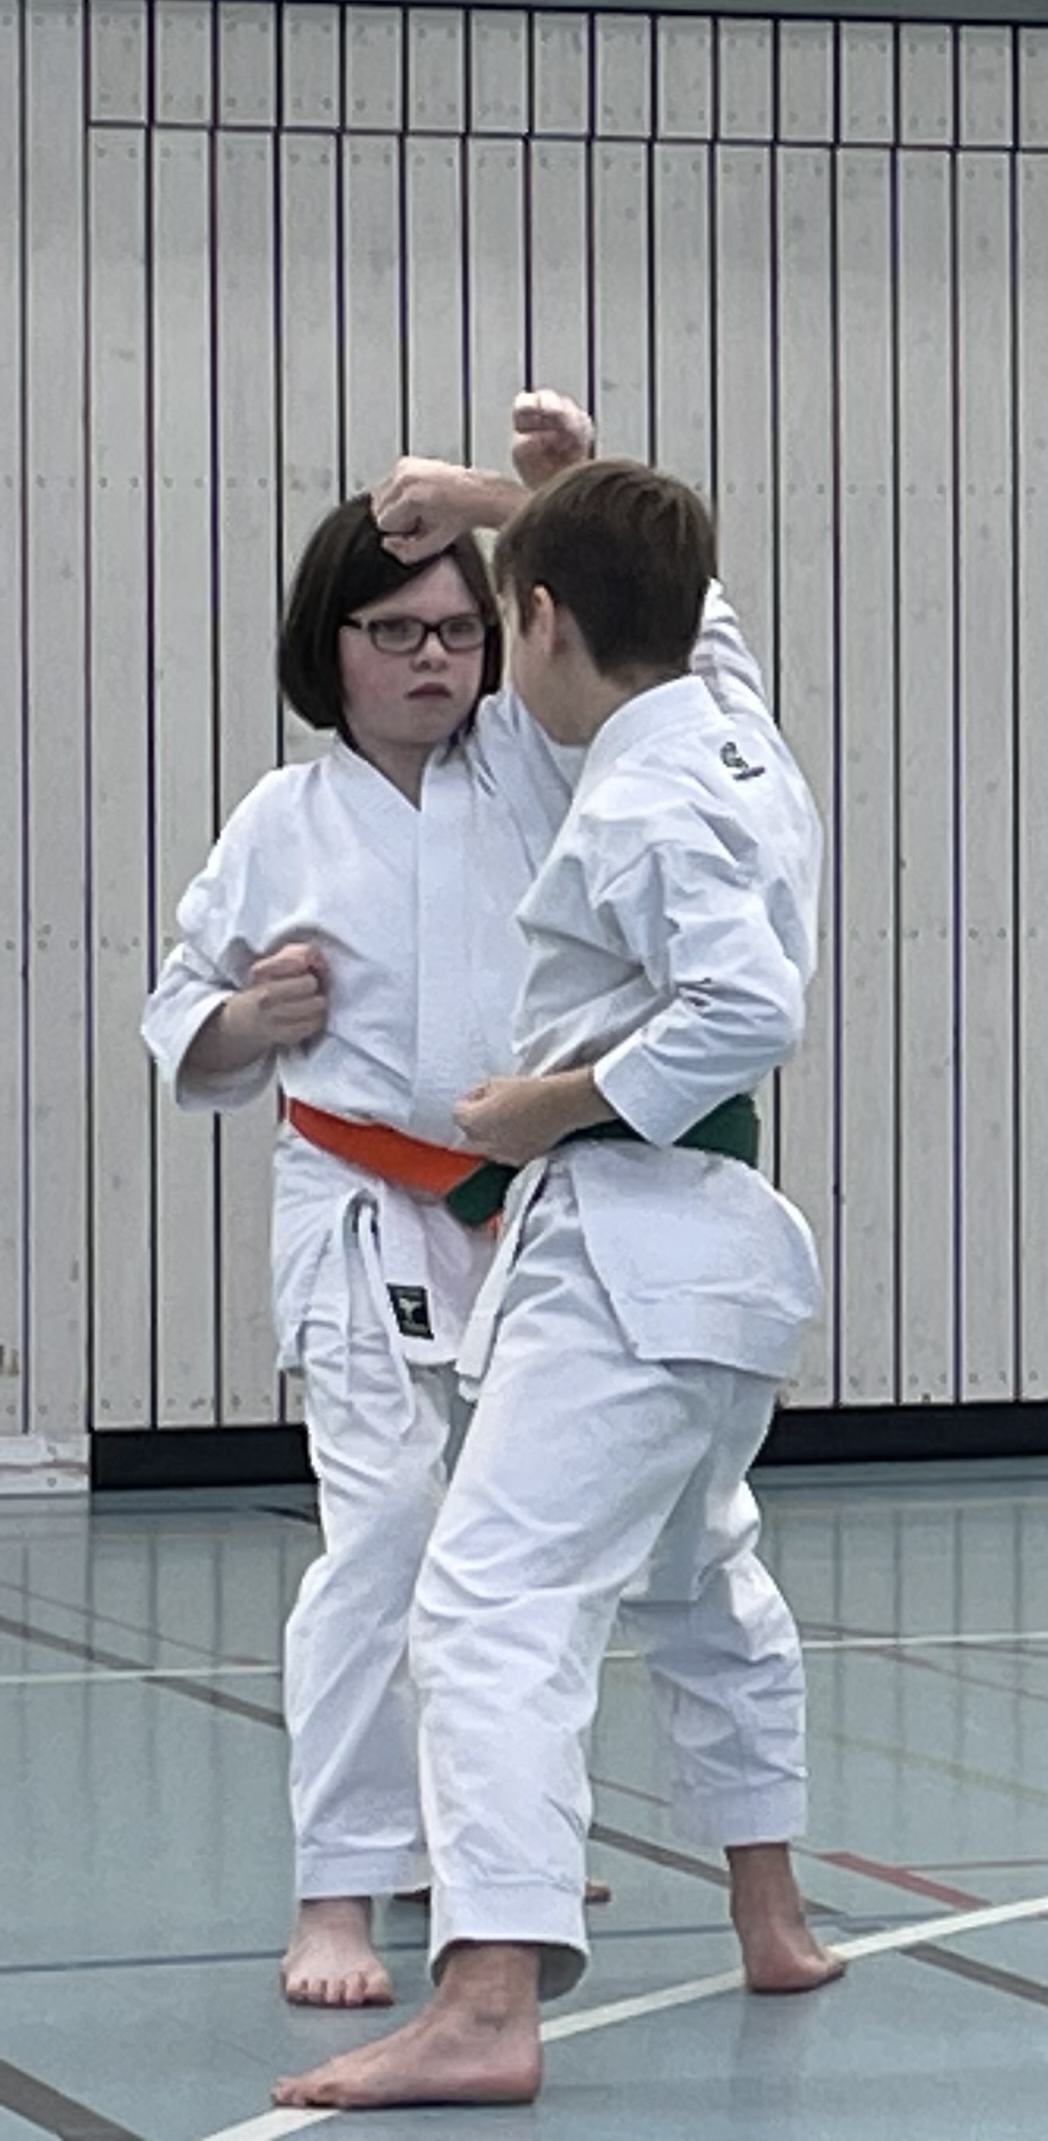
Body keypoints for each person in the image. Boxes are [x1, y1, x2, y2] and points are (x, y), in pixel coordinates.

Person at [141, 392, 737, 2007]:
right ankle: (339, 1884)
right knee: (388, 1534)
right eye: (393, 633)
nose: (431, 661)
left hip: (538, 1211)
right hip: (358, 1209)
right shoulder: (282, 822)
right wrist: (241, 1020)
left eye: (460, 631)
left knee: (520, 1548)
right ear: (327, 648)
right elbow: (179, 1011)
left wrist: (519, 493)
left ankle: (486, 1844)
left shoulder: (546, 768)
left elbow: (677, 634)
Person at [273, 459, 840, 2111]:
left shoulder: (644, 799)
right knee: (701, 1580)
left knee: (487, 1603)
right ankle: (769, 1912)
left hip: (628, 1245)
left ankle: (486, 2001)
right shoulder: (738, 739)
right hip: (722, 1260)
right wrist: (528, 486)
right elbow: (699, 619)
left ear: (536, 620)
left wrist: (549, 1106)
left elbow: (747, 1008)